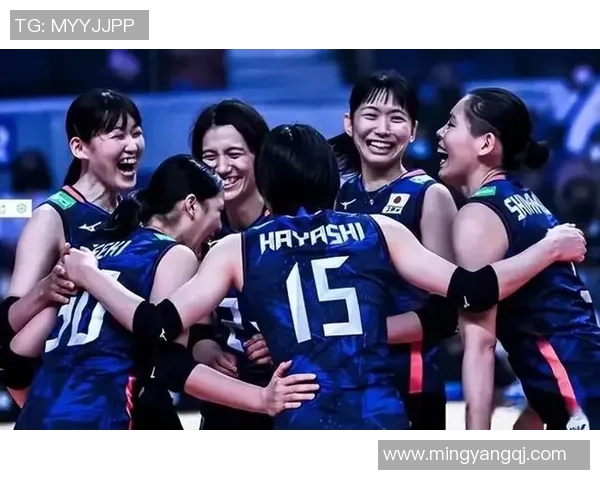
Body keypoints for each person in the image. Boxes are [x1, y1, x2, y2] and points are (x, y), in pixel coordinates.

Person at [61, 123, 586, 430]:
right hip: (379, 417)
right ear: (331, 177)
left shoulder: (237, 248)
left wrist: (92, 275)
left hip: (300, 422)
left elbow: (158, 332)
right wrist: (548, 248)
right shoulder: (378, 228)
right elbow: (472, 292)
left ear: (267, 182)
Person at [13, 154, 317, 429]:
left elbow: (16, 358)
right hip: (103, 416)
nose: (218, 226)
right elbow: (169, 362)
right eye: (218, 211)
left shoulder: (96, 254)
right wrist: (261, 399)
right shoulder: (175, 255)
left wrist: (49, 407)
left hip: (37, 419)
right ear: (192, 206)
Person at [436, 87, 600, 430]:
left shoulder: (479, 215)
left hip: (577, 398)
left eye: (451, 124)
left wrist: (476, 446)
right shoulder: (523, 198)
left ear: (486, 143)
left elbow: (480, 346)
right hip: (580, 381)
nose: (440, 132)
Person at [0, 89, 144, 405]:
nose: (132, 145)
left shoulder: (138, 213)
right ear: (79, 147)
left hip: (133, 388)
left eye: (136, 133)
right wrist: (46, 290)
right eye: (118, 135)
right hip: (77, 397)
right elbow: (7, 324)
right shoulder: (52, 216)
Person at [332, 70, 456, 429]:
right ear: (349, 123)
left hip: (410, 382)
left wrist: (359, 334)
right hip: (343, 380)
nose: (382, 129)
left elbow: (444, 315)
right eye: (371, 115)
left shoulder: (429, 195)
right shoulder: (337, 196)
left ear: (413, 130)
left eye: (396, 118)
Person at [189, 99, 273, 430]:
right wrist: (204, 346)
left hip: (289, 394)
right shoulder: (195, 231)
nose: (222, 168)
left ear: (259, 155)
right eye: (209, 157)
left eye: (234, 154)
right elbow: (192, 321)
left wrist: (289, 339)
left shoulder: (290, 222)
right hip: (223, 401)